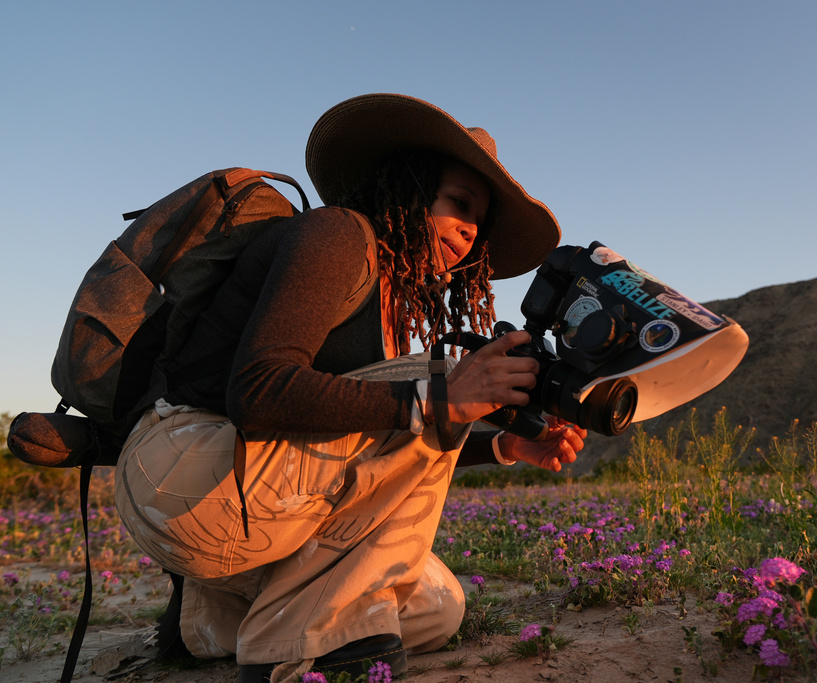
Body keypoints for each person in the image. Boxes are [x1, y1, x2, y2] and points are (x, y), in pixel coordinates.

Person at [113, 93, 586, 683]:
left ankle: (213, 616)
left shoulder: (393, 296)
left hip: (248, 498)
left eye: (478, 224)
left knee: (438, 607)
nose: (468, 232)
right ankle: (287, 647)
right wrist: (444, 398)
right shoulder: (338, 236)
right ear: (411, 190)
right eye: (458, 204)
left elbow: (366, 437)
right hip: (184, 471)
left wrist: (504, 447)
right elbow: (257, 392)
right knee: (430, 380)